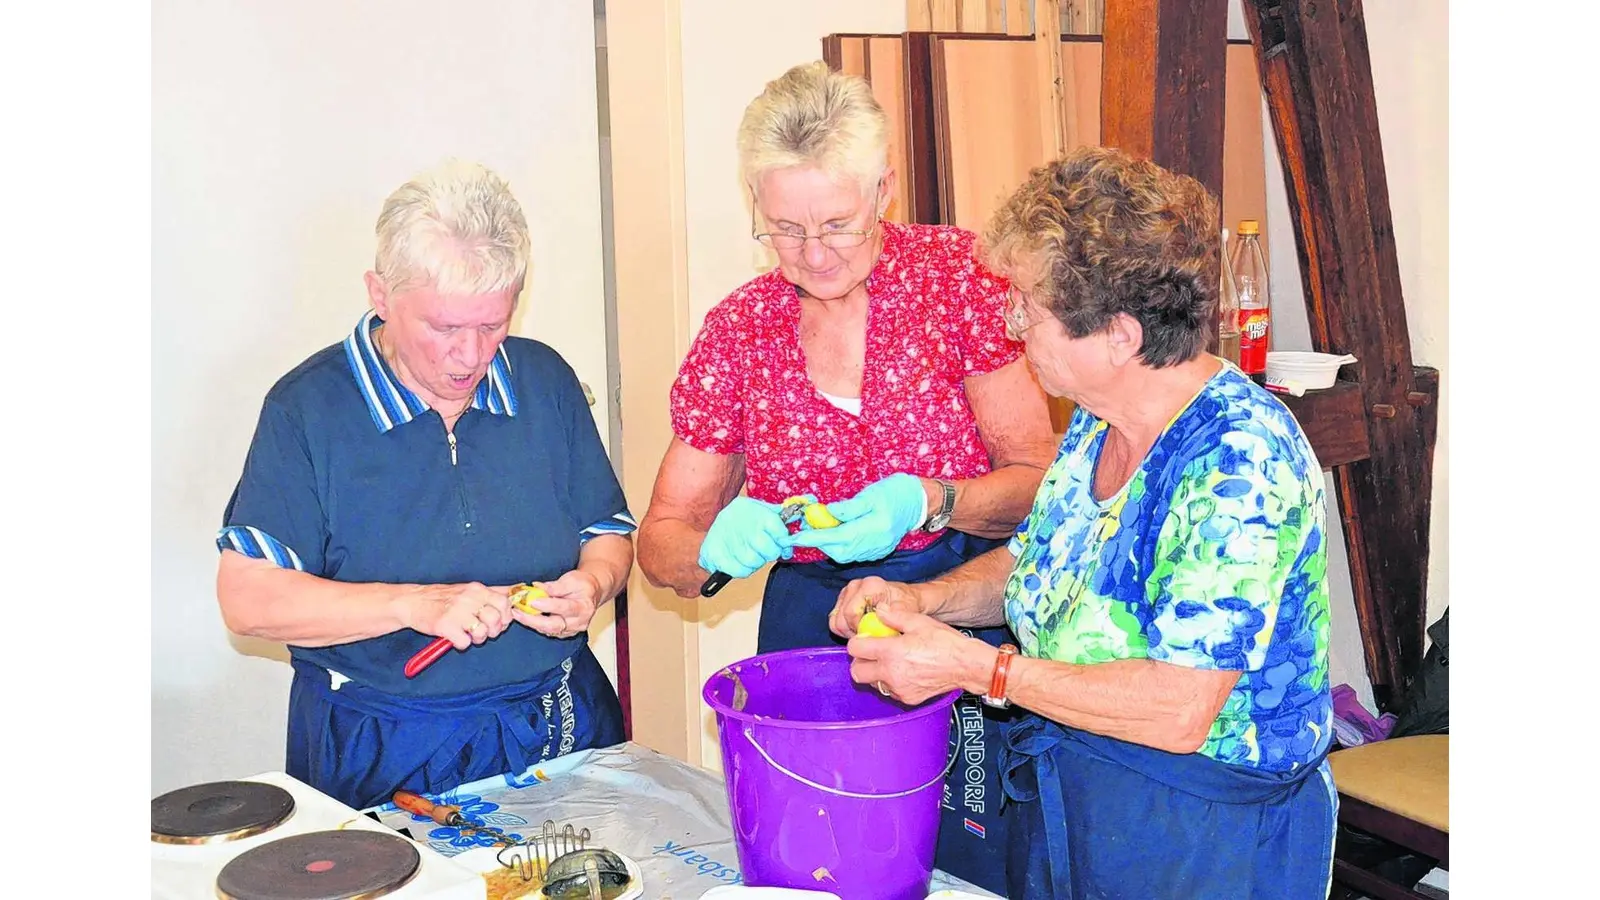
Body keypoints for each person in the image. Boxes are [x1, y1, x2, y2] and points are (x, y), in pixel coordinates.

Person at [831, 146, 1337, 899]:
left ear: (1120, 337)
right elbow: (1040, 565)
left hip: (1202, 831)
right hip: (1085, 789)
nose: (1011, 328)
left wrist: (978, 668)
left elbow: (1177, 709)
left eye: (1028, 312)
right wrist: (924, 602)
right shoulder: (1100, 421)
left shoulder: (1237, 462)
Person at [635, 61, 1056, 892]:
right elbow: (661, 544)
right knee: (820, 857)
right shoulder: (741, 331)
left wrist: (934, 499)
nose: (812, 252)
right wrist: (714, 547)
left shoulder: (957, 282)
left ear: (884, 191)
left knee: (964, 864)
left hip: (959, 605)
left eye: (837, 223)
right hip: (810, 627)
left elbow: (1042, 482)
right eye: (784, 228)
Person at [214, 160, 633, 811]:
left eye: (493, 325)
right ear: (380, 295)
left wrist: (594, 584)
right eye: (443, 328)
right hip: (382, 745)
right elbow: (247, 600)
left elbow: (605, 533)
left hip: (559, 728)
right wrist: (414, 604)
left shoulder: (544, 381)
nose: (470, 356)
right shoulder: (310, 410)